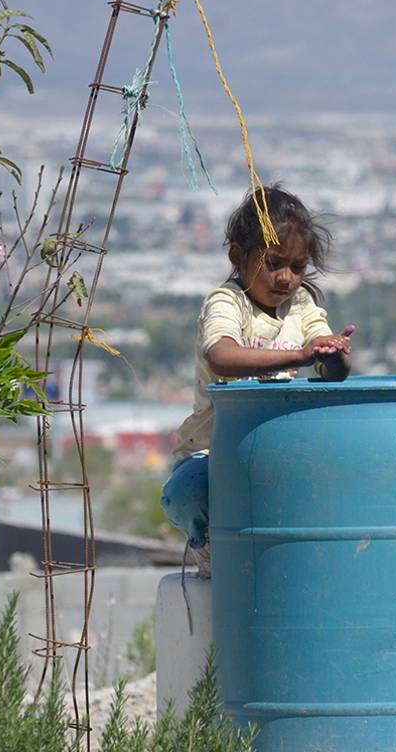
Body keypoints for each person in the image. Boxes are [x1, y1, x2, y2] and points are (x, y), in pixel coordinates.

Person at [161, 185, 353, 550]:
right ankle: (210, 552)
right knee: (189, 491)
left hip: (278, 449)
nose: (286, 278)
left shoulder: (300, 306)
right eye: (273, 263)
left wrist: (334, 353)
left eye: (297, 268)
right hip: (213, 451)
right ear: (238, 256)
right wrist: (300, 355)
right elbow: (221, 355)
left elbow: (332, 369)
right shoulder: (227, 302)